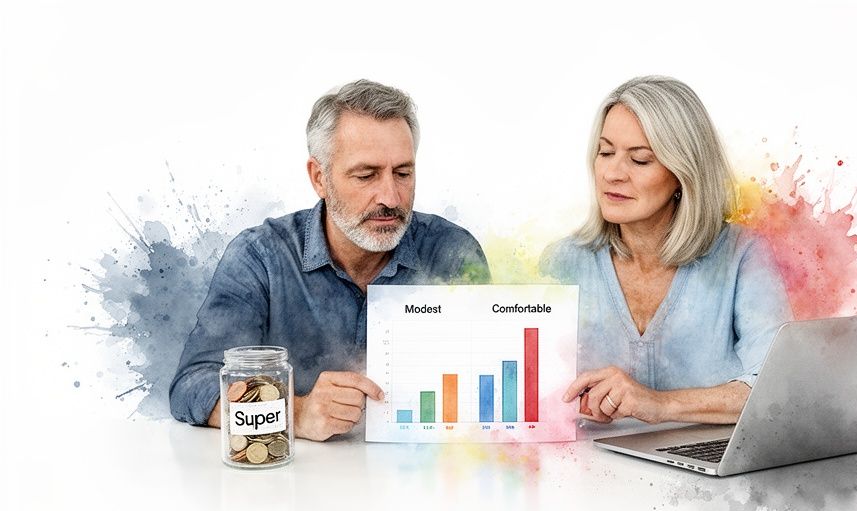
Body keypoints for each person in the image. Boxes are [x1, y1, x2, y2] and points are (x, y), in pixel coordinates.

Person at [170, 80, 490, 440]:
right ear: (319, 177)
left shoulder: (452, 253)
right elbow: (193, 384)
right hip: (293, 486)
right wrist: (296, 412)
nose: (390, 196)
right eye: (366, 175)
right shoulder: (261, 257)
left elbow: (491, 378)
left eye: (403, 173)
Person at [542, 76, 792, 426]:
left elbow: (777, 390)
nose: (612, 173)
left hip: (706, 476)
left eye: (640, 160)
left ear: (682, 173)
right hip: (592, 474)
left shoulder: (743, 255)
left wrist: (660, 404)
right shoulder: (561, 263)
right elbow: (530, 400)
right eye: (605, 152)